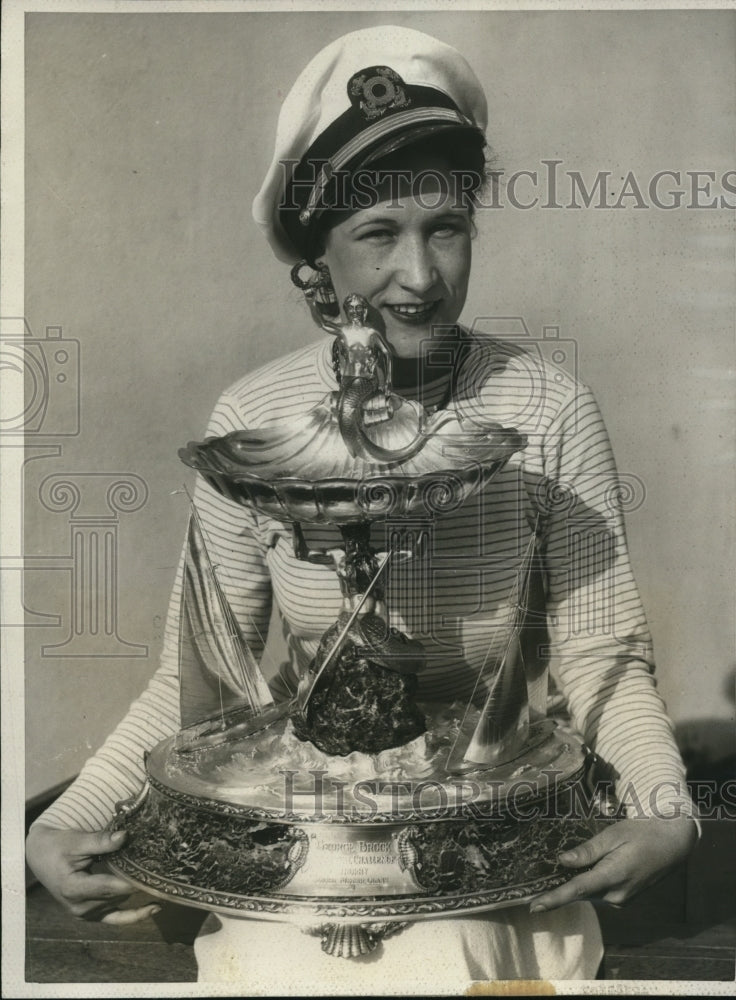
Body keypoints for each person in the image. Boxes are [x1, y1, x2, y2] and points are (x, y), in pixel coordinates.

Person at [26, 25, 698, 993]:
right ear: (319, 258)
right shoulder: (254, 419)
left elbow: (604, 660)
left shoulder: (548, 409)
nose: (420, 276)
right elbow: (196, 680)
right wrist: (62, 822)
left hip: (489, 837)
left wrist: (667, 809)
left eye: (446, 227)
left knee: (445, 961)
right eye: (379, 234)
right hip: (313, 834)